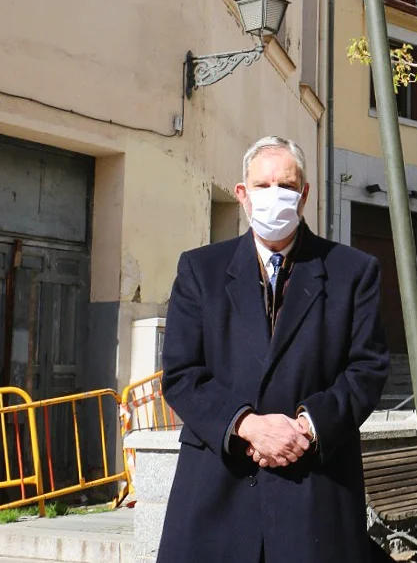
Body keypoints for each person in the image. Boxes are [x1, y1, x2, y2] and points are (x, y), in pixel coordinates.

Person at [156, 136, 389, 563]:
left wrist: (305, 427)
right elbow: (180, 373)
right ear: (242, 195)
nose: (273, 195)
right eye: (262, 186)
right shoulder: (200, 270)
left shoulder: (353, 271)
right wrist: (245, 424)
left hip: (314, 495)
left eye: (285, 185)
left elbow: (368, 369)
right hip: (217, 493)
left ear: (304, 195)